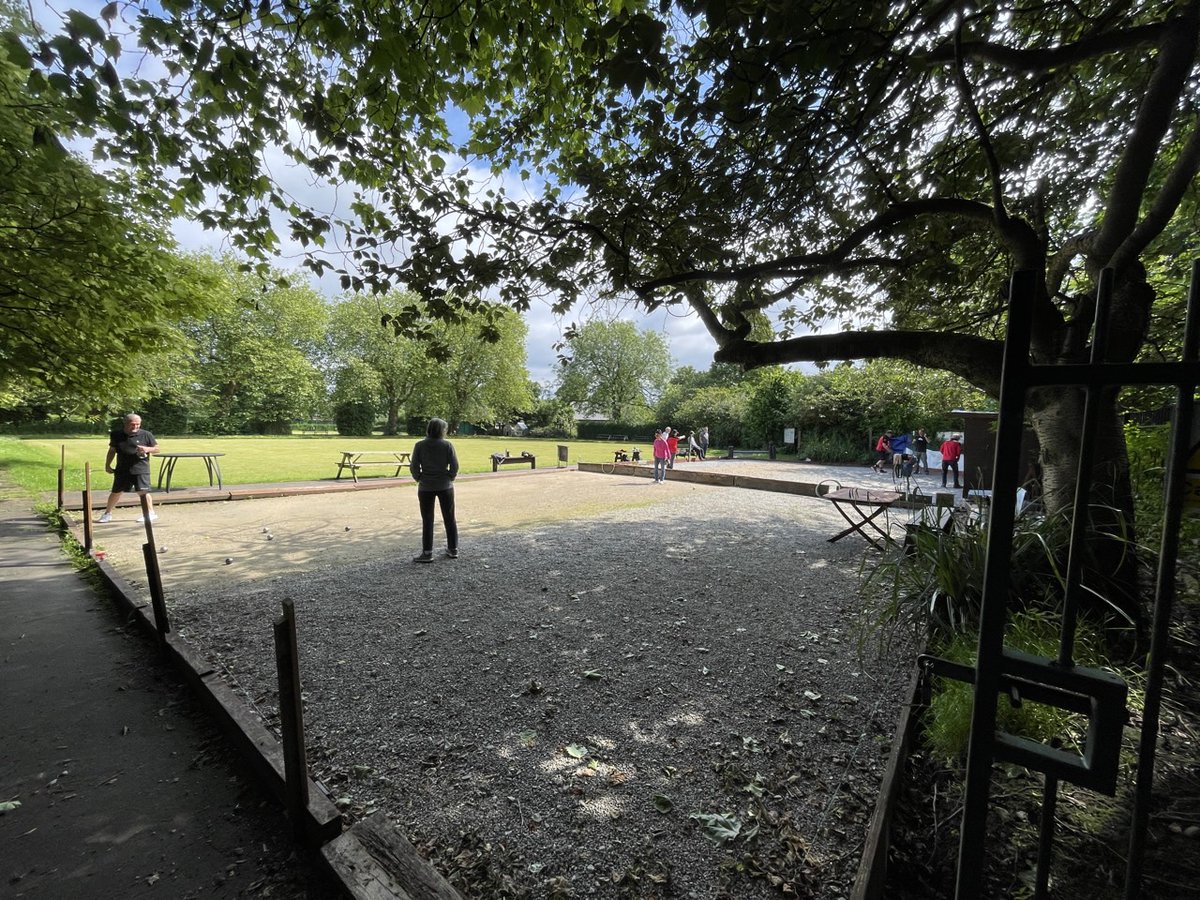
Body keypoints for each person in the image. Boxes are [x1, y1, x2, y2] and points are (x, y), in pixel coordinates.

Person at [409, 417, 460, 562]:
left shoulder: (419, 445)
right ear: (442, 430)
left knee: (427, 519)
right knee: (449, 518)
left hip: (426, 486)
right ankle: (453, 548)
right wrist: (450, 477)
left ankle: (427, 552)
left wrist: (418, 477)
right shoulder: (447, 445)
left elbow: (414, 466)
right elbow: (454, 466)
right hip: (445, 486)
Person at [97, 413, 160, 524]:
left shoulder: (146, 434)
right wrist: (107, 465)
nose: (135, 427)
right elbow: (112, 450)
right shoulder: (116, 435)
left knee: (143, 491)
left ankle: (150, 513)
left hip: (140, 468)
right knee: (116, 491)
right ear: (125, 424)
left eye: (138, 424)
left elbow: (157, 448)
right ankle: (107, 513)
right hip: (122, 468)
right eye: (132, 424)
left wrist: (146, 449)